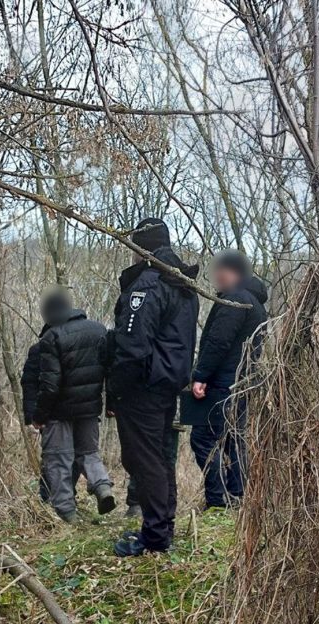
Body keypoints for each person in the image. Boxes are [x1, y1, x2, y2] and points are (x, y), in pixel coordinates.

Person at [108, 217, 199, 557]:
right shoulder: (181, 285)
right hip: (166, 385)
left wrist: (117, 389)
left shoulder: (147, 286)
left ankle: (157, 535)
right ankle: (159, 525)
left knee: (144, 460)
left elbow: (132, 346)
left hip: (143, 388)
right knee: (158, 458)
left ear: (140, 249)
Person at [190, 250, 268, 509]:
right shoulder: (257, 305)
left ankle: (218, 499)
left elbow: (217, 341)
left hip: (223, 382)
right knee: (234, 439)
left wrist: (201, 375)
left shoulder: (234, 300)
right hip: (244, 383)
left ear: (231, 272)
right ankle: (238, 496)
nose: (216, 277)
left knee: (202, 439)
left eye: (219, 271)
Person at [33, 288, 115, 522]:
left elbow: (50, 384)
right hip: (90, 408)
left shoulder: (52, 337)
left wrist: (39, 415)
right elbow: (111, 370)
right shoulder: (98, 330)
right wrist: (111, 402)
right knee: (89, 453)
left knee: (59, 460)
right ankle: (102, 487)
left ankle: (67, 511)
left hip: (59, 412)